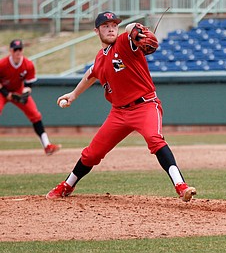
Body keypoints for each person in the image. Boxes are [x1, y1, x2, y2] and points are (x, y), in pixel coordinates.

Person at [46, 11, 196, 202]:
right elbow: (90, 75)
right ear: (96, 31)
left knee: (154, 139)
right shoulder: (100, 57)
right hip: (118, 113)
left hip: (145, 105)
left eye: (113, 25)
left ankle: (181, 186)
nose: (110, 29)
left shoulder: (125, 42)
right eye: (105, 26)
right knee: (92, 153)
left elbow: (131, 28)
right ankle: (67, 185)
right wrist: (73, 95)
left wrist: (136, 30)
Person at [0, 39, 61, 155]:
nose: (18, 52)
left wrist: (25, 94)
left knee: (35, 115)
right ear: (10, 51)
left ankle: (47, 145)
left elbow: (28, 84)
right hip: (2, 92)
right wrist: (6, 94)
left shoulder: (28, 65)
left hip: (18, 91)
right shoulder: (2, 64)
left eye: (20, 49)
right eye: (15, 49)